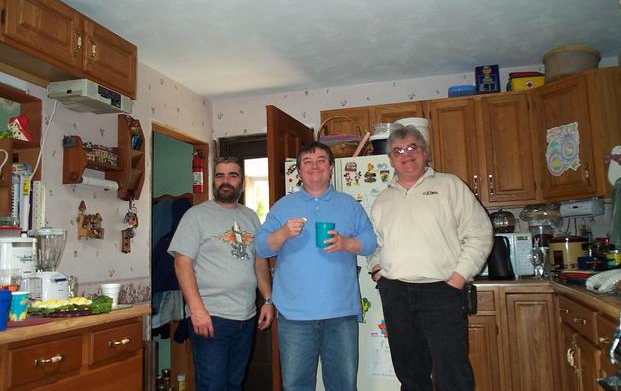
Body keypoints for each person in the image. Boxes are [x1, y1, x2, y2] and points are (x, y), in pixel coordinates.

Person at [368, 125, 493, 391]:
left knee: (452, 374)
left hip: (442, 292)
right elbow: (378, 245)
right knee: (410, 375)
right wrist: (376, 269)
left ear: (424, 152)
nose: (406, 155)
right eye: (398, 151)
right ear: (390, 160)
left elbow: (480, 233)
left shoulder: (450, 185)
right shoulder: (382, 200)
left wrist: (458, 279)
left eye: (412, 147)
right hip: (396, 295)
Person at [255, 141, 377, 391]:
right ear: (299, 170)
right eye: (307, 162)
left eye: (321, 160)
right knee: (296, 386)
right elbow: (261, 248)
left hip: (341, 313)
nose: (314, 166)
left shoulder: (349, 204)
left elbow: (370, 242)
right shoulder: (283, 206)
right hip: (294, 316)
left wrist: (345, 243)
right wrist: (282, 233)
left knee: (343, 386)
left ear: (331, 167)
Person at [169, 156, 274, 391]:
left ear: (242, 183)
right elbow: (181, 264)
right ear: (213, 181)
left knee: (234, 384)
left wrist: (268, 300)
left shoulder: (250, 216)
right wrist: (197, 310)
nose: (225, 181)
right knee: (213, 386)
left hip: (245, 318)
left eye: (232, 175)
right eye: (220, 176)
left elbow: (259, 262)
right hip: (210, 317)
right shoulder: (196, 216)